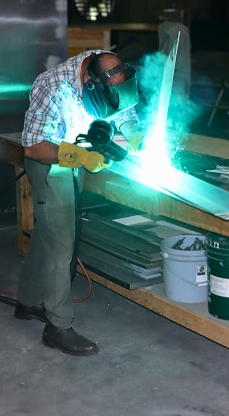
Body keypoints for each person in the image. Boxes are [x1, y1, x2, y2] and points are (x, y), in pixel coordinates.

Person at [17, 49, 142, 357]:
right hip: (52, 159)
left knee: (51, 230)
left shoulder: (108, 73)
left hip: (79, 153)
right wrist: (81, 157)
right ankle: (57, 326)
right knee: (62, 241)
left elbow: (122, 109)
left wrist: (135, 133)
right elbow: (34, 147)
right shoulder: (52, 86)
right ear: (89, 82)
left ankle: (29, 300)